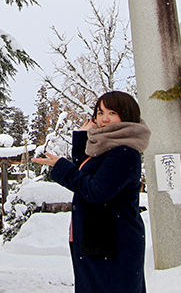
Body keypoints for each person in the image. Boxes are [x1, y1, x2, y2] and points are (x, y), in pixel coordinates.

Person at [32, 91, 151, 293]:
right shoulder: (108, 147)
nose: (103, 119)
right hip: (100, 239)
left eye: (112, 112)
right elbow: (87, 174)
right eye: (100, 112)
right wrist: (80, 141)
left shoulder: (124, 152)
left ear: (127, 114)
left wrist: (62, 167)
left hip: (114, 243)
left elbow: (96, 191)